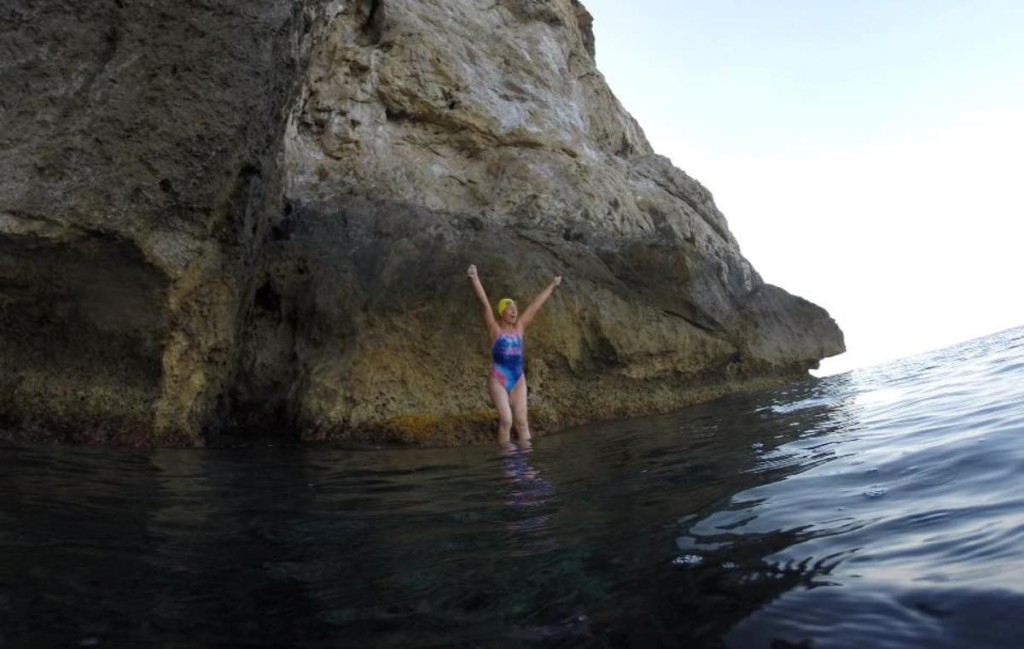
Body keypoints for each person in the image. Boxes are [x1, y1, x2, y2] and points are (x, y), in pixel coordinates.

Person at [466, 264, 561, 446]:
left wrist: (552, 285)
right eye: (510, 309)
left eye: (515, 309)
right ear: (502, 312)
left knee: (522, 421)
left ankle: (524, 465)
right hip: (498, 379)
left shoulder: (519, 328)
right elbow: (483, 303)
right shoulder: (494, 330)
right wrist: (474, 278)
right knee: (507, 421)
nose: (514, 311)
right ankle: (507, 462)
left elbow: (536, 306)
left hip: (518, 379)